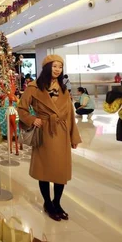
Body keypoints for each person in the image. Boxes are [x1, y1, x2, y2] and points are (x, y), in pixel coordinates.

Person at [17, 55, 82, 222]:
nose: (57, 69)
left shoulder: (63, 89)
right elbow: (21, 108)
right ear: (47, 67)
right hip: (45, 132)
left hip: (61, 132)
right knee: (44, 171)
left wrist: (73, 136)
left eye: (60, 67)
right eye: (54, 66)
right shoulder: (34, 87)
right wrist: (33, 119)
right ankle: (47, 203)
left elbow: (70, 114)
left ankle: (57, 202)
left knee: (61, 171)